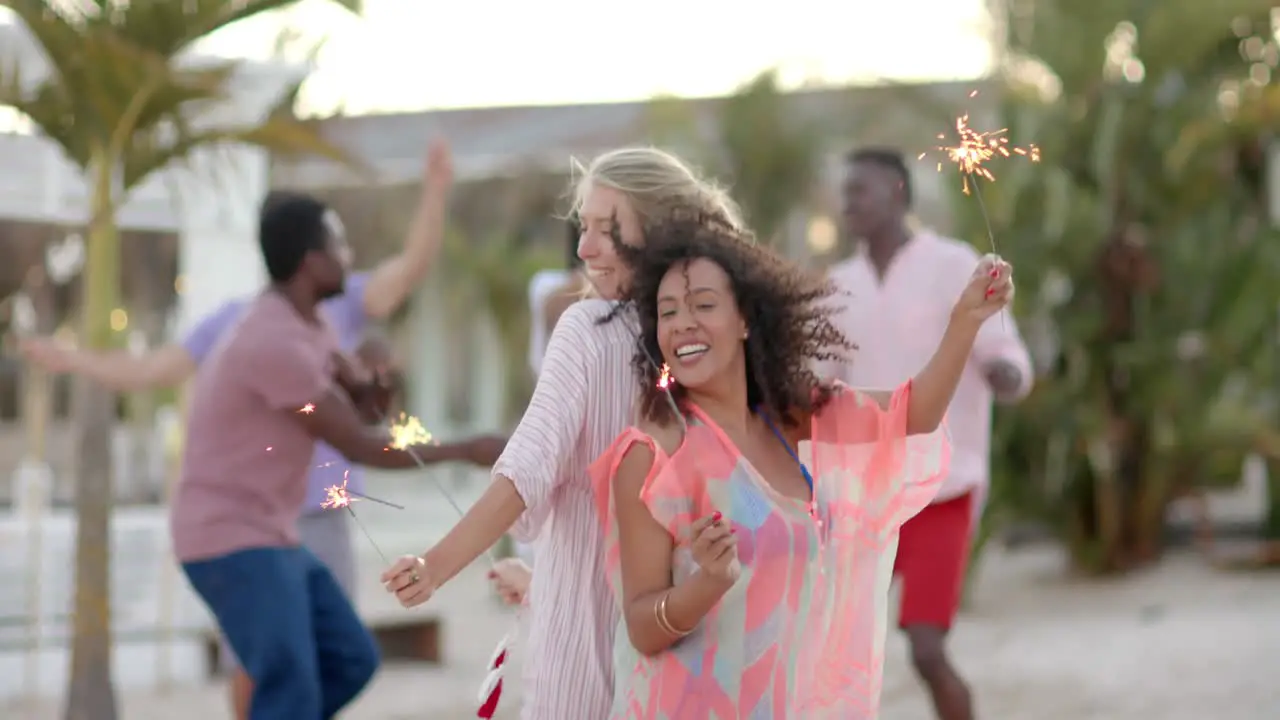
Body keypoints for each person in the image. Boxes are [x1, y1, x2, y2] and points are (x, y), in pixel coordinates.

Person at [18, 143, 470, 720]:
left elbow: (406, 277)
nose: (347, 254)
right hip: (239, 528)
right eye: (336, 242)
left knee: (339, 662)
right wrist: (74, 360)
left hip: (308, 516)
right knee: (276, 675)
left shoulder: (331, 313)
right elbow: (150, 369)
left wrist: (434, 191)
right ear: (308, 256)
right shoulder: (254, 328)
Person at [590, 209, 1012, 719]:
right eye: (669, 312)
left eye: (703, 304)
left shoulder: (789, 420)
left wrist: (966, 317)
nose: (683, 325)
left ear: (745, 318)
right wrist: (705, 584)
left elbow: (913, 411)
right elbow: (641, 626)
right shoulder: (654, 455)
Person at [381, 147, 745, 719]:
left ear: (657, 230)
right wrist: (540, 580)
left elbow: (526, 469)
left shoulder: (586, 330)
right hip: (684, 636)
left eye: (608, 227)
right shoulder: (707, 340)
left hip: (586, 645)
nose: (583, 247)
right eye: (584, 227)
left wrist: (434, 568)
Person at [829, 147, 1034, 720]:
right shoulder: (837, 284)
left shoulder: (952, 263)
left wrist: (1008, 373)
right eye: (845, 194)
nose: (849, 204)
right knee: (836, 645)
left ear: (898, 191)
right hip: (865, 492)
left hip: (945, 483)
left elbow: (1003, 347)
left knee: (924, 648)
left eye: (860, 191)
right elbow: (817, 383)